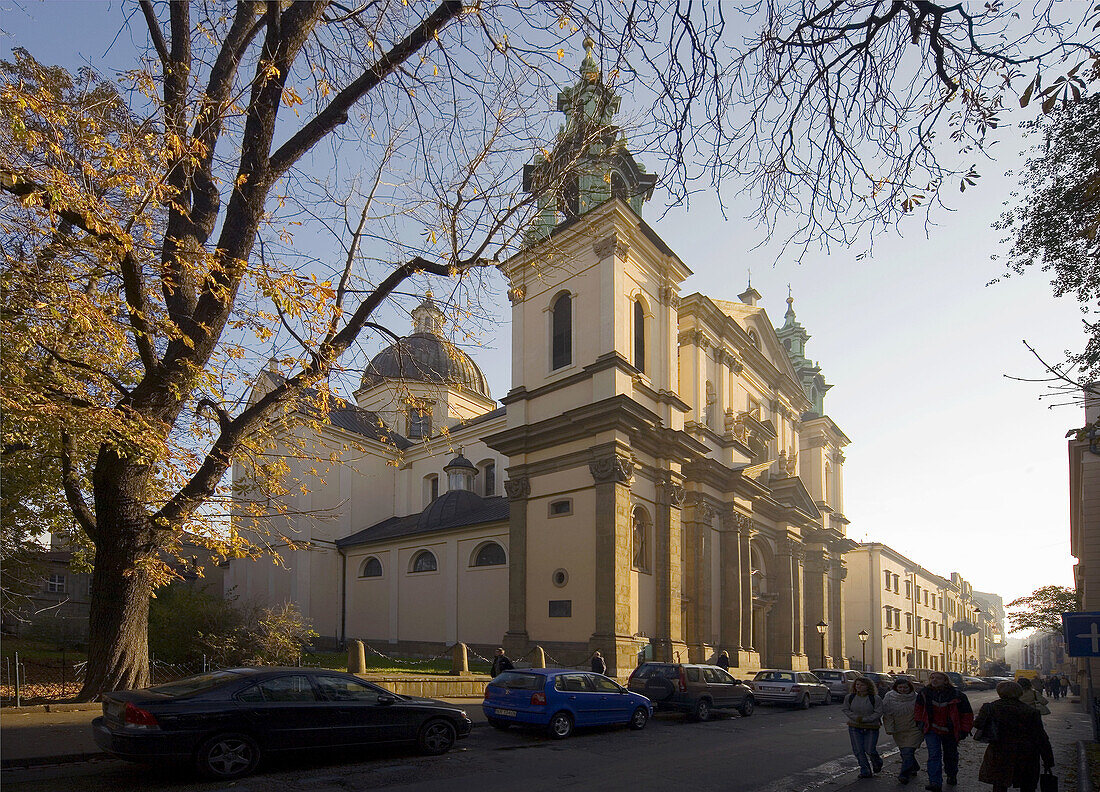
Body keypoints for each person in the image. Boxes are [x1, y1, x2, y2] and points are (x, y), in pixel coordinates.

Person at [973, 680, 1055, 792]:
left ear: (1000, 692)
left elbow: (978, 724)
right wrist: (1048, 760)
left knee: (1000, 783)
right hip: (1027, 752)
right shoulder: (1030, 711)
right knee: (1027, 784)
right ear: (1019, 692)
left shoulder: (990, 708)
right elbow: (1041, 737)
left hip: (1000, 751)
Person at [914, 670, 973, 792]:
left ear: (945, 681)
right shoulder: (924, 693)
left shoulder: (957, 695)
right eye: (932, 678)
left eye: (938, 678)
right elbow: (918, 709)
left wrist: (965, 730)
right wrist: (920, 722)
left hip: (951, 730)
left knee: (950, 755)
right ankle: (935, 782)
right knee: (934, 755)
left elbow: (966, 714)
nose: (934, 680)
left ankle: (951, 774)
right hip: (932, 729)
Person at [883, 677, 924, 785]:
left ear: (909, 687)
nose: (902, 689)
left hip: (914, 729)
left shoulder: (916, 697)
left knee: (908, 751)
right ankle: (914, 766)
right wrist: (889, 728)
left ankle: (904, 775)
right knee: (904, 753)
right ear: (896, 687)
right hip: (899, 730)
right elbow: (887, 714)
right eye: (900, 687)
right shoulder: (889, 697)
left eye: (905, 687)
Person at [843, 677, 885, 779]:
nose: (859, 687)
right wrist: (856, 718)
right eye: (857, 685)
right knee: (858, 750)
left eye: (862, 685)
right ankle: (865, 770)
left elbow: (878, 712)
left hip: (871, 726)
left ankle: (877, 762)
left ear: (868, 686)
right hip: (854, 726)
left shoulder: (875, 698)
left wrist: (867, 719)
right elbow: (846, 709)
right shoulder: (850, 697)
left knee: (870, 749)